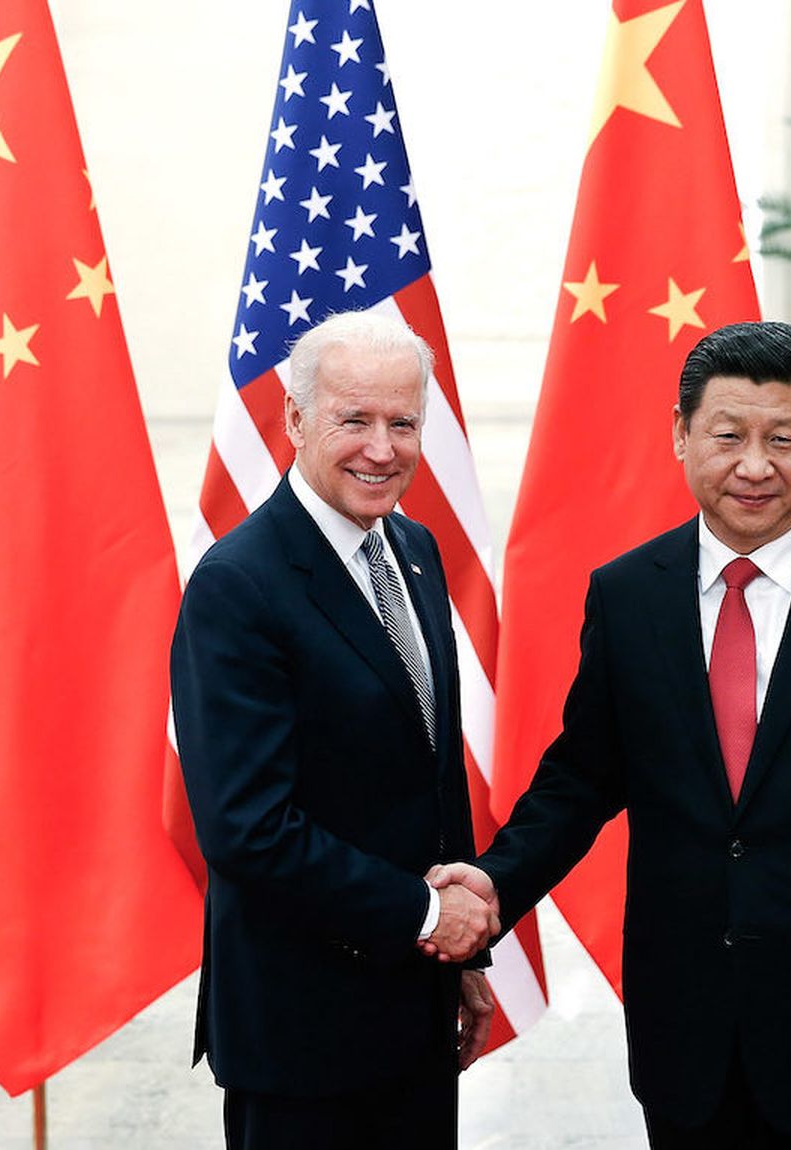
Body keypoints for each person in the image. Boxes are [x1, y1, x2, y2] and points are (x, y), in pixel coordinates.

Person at [431, 321, 791, 1147]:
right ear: (681, 434)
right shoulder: (628, 596)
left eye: (783, 438)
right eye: (728, 436)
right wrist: (492, 887)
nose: (755, 466)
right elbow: (582, 780)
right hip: (686, 1029)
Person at [172, 309, 496, 1150]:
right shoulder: (239, 584)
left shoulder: (415, 551)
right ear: (294, 420)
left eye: (404, 422)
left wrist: (462, 960)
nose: (382, 449)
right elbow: (247, 829)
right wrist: (429, 916)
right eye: (354, 420)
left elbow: (432, 769)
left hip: (415, 1015)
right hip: (301, 1037)